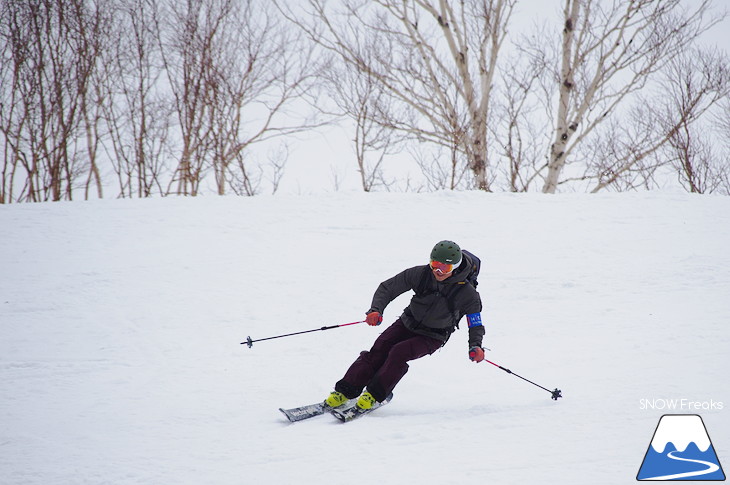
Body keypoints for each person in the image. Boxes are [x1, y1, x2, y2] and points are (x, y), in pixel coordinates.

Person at [324, 240, 485, 411]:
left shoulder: (468, 294)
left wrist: (475, 346)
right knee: (379, 348)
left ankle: (374, 395)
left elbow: (475, 323)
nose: (438, 271)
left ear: (455, 267)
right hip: (407, 322)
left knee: (398, 353)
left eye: (444, 268)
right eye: (435, 265)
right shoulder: (422, 274)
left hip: (433, 335)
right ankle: (345, 391)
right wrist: (376, 310)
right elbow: (388, 288)